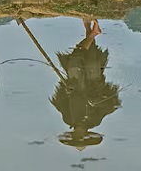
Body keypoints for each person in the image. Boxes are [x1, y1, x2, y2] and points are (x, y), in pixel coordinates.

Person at [49, 17, 121, 150]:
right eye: (81, 136)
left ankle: (92, 32)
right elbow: (109, 102)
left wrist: (67, 90)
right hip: (93, 84)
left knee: (75, 61)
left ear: (73, 134)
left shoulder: (68, 118)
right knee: (91, 60)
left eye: (76, 136)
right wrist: (96, 100)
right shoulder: (95, 120)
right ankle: (90, 31)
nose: (79, 134)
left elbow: (62, 100)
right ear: (86, 134)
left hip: (75, 84)